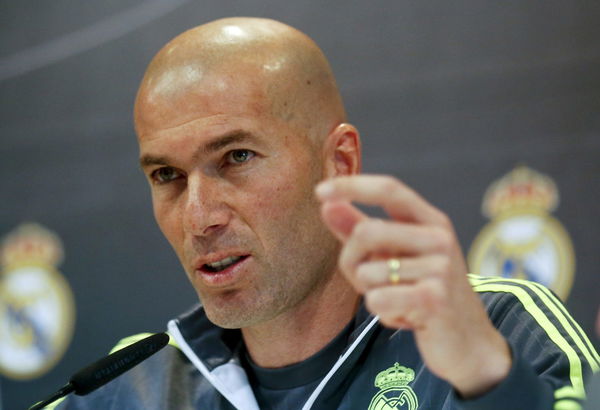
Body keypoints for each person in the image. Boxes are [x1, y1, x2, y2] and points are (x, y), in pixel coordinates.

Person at [53, 17, 598, 409]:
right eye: (166, 176)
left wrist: (489, 384)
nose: (198, 218)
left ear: (339, 162)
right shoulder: (127, 386)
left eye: (236, 157)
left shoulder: (495, 331)